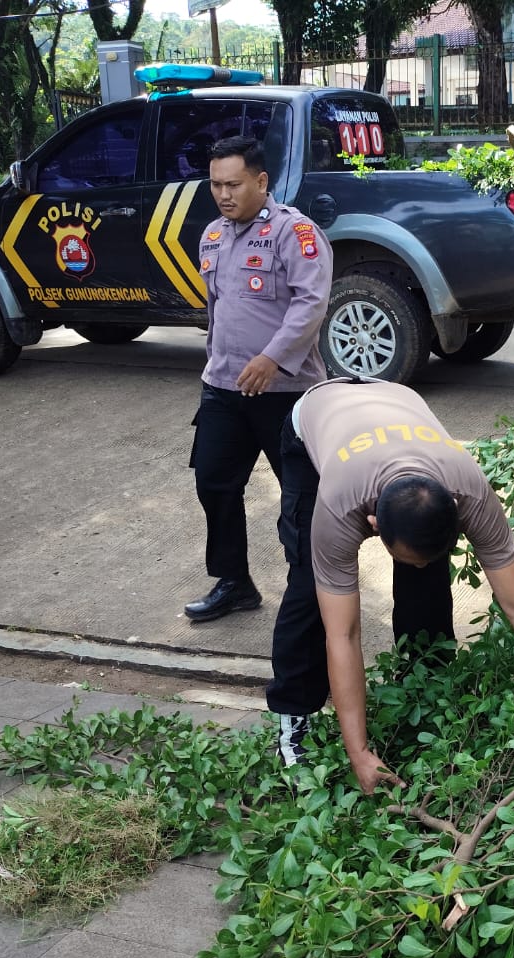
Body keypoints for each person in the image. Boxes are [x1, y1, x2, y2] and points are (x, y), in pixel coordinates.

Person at [265, 378, 514, 788]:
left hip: (395, 399)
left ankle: (425, 687)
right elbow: (343, 635)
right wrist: (359, 754)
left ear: (455, 510)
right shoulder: (340, 506)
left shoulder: (470, 490)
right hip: (316, 417)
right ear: (374, 525)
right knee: (312, 588)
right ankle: (293, 715)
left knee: (427, 577)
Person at [185, 134, 332, 624]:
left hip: (285, 393)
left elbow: (311, 303)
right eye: (215, 186)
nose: (224, 195)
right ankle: (234, 583)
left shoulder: (296, 233)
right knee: (213, 483)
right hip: (224, 389)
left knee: (299, 499)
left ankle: (308, 591)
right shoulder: (212, 235)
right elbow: (218, 309)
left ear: (261, 181)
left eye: (234, 184)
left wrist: (272, 358)